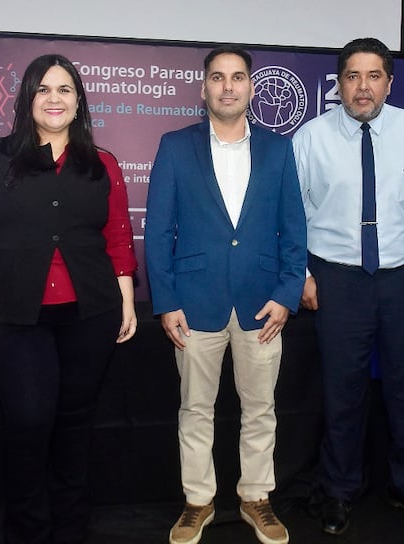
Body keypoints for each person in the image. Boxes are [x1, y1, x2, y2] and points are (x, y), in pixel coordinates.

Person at [0, 54, 137, 544]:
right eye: (43, 89)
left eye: (65, 89)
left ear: (79, 101)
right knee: (29, 423)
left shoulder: (103, 164)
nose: (55, 99)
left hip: (91, 313)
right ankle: (27, 532)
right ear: (27, 98)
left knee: (75, 425)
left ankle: (71, 530)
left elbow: (118, 237)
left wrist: (126, 302)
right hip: (14, 317)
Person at [291, 37, 404, 535]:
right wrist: (302, 274)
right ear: (338, 84)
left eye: (373, 76)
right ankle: (339, 490)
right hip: (336, 279)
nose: (362, 87)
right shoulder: (311, 137)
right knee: (342, 390)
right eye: (352, 76)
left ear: (389, 82)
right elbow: (290, 214)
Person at [145, 45, 306, 544]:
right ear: (204, 88)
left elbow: (294, 229)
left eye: (237, 77)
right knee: (195, 410)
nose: (228, 86)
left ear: (251, 87)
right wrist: (166, 301)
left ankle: (256, 497)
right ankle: (198, 502)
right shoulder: (176, 146)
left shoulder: (279, 149)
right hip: (194, 304)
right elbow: (158, 232)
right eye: (218, 77)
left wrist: (287, 293)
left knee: (261, 409)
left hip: (263, 304)